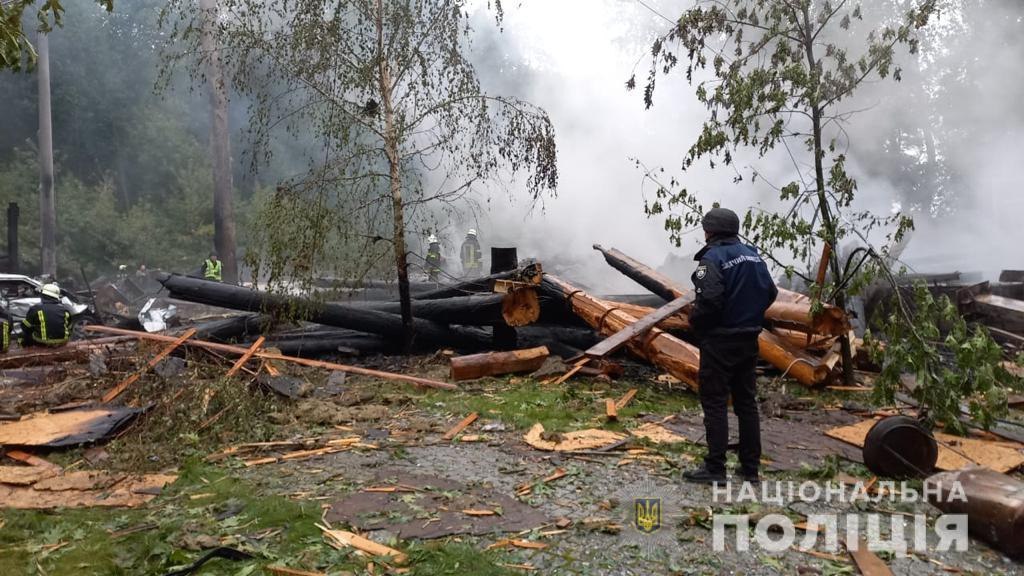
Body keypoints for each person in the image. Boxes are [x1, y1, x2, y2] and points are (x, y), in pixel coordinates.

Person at [683, 207, 777, 485]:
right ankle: (750, 469)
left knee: (714, 402)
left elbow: (709, 300)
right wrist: (750, 316)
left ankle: (715, 468)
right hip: (749, 339)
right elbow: (770, 292)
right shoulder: (753, 256)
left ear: (708, 231)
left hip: (719, 341)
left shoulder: (710, 260)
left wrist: (696, 323)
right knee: (746, 404)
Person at [21, 283, 71, 348]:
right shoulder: (64, 309)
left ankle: (26, 352)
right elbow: (69, 326)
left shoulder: (35, 308)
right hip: (63, 341)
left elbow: (25, 326)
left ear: (43, 295)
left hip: (42, 342)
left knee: (23, 334)